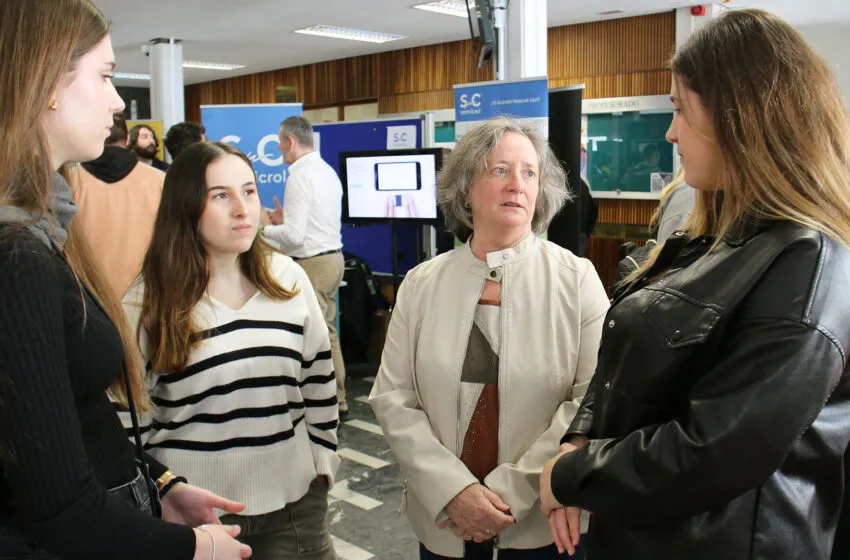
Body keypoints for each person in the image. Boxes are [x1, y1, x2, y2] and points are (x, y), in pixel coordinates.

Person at [539, 9, 850, 560]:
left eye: (681, 109)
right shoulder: (711, 236)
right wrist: (582, 436)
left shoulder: (809, 262)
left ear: (744, 115)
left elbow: (715, 450)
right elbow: (631, 358)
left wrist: (574, 473)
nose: (670, 131)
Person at [0, 1, 251, 558]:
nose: (119, 103)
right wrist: (192, 549)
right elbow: (59, 508)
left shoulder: (44, 230)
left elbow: (77, 422)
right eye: (106, 76)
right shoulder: (18, 259)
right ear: (46, 82)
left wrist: (159, 484)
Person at [369, 117, 610, 559]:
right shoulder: (421, 283)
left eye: (529, 173)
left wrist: (508, 495)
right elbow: (392, 398)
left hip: (543, 524)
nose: (517, 184)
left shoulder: (578, 280)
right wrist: (454, 490)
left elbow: (592, 401)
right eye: (499, 170)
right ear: (465, 188)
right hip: (445, 520)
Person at [124, 141, 340, 560]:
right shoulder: (146, 302)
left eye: (249, 191)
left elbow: (317, 378)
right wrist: (164, 491)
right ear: (185, 206)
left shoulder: (287, 278)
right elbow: (128, 424)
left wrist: (323, 458)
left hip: (294, 505)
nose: (243, 209)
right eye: (221, 196)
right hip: (193, 517)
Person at [263, 116, 348, 414]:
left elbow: (294, 238)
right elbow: (308, 226)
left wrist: (262, 229)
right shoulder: (326, 171)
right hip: (332, 259)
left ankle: (333, 401)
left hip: (313, 263)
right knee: (327, 333)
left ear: (290, 142)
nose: (280, 150)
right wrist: (282, 222)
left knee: (317, 336)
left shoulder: (299, 176)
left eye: (280, 144)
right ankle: (337, 398)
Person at [71, 112, 165, 299]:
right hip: (148, 296)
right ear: (128, 138)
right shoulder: (160, 181)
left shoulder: (69, 183)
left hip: (88, 299)